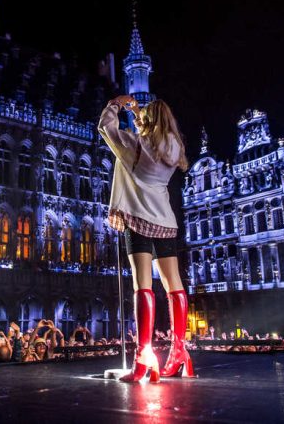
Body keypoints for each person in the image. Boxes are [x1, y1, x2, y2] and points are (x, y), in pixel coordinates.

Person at [98, 96, 194, 383]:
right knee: (173, 284)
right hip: (165, 218)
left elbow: (106, 127)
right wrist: (140, 113)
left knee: (143, 284)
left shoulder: (136, 145)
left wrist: (116, 104)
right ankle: (180, 352)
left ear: (149, 121)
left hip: (138, 216)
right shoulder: (174, 147)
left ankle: (144, 356)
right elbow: (150, 131)